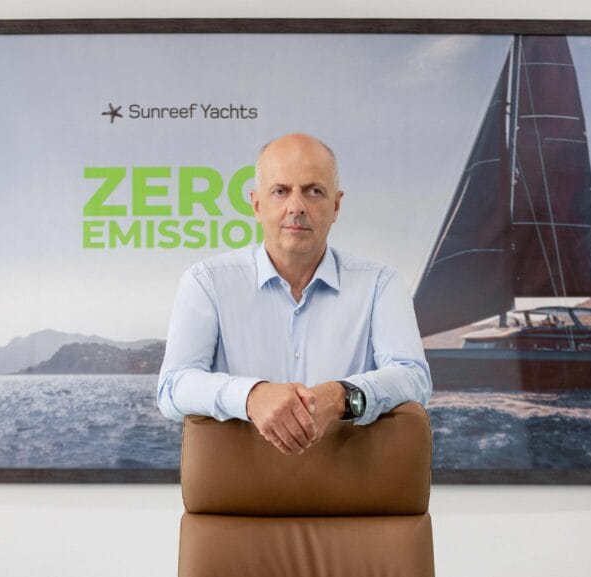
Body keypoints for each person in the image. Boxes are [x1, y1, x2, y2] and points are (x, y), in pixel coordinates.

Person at [156, 133, 431, 456]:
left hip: (351, 492)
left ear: (336, 205)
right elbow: (173, 387)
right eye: (280, 191)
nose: (296, 207)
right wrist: (251, 396)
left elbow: (414, 380)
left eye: (314, 191)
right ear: (257, 205)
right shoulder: (206, 282)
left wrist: (341, 396)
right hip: (243, 492)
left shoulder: (381, 284)